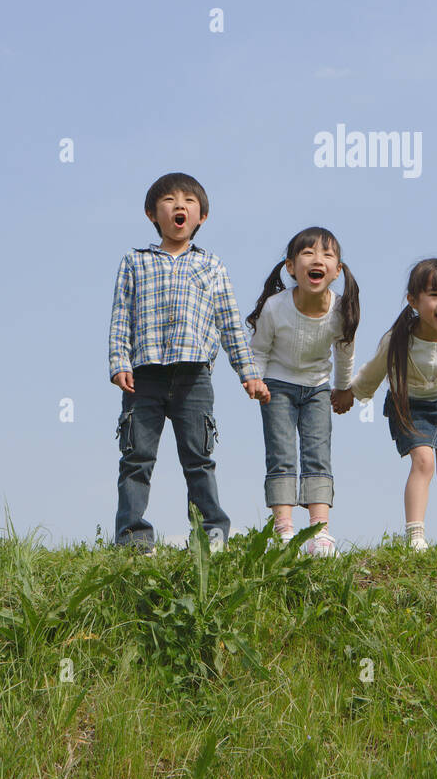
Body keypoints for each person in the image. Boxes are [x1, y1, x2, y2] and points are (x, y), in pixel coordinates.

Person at [109, 172, 268, 554]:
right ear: (152, 213)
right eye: (169, 200)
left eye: (189, 201)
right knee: (136, 458)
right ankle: (133, 538)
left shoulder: (212, 266)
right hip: (144, 375)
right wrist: (119, 360)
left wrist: (248, 375)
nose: (179, 205)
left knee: (198, 458)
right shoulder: (135, 262)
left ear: (202, 217)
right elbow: (120, 315)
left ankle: (210, 533)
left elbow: (230, 323)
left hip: (194, 376)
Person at [334, 258, 437, 551]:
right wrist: (350, 393)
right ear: (413, 301)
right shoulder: (397, 340)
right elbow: (373, 371)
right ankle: (415, 537)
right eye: (434, 295)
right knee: (423, 461)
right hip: (408, 405)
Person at [247, 227, 359, 557]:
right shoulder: (275, 306)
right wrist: (254, 379)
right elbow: (259, 350)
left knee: (317, 456)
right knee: (281, 455)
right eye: (308, 253)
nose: (317, 259)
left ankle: (320, 532)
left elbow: (344, 353)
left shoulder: (342, 311)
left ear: (337, 270)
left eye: (327, 255)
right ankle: (284, 532)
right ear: (291, 267)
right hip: (277, 387)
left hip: (317, 390)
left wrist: (342, 389)